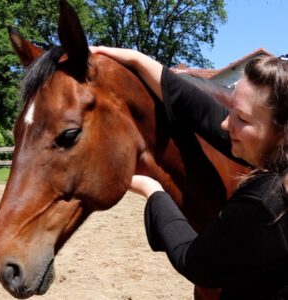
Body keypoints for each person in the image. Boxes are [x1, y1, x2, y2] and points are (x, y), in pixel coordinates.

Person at [91, 46, 288, 300]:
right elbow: (196, 108)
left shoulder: (264, 202)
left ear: (281, 132)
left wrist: (153, 191)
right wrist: (135, 58)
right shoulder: (272, 150)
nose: (226, 124)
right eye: (231, 111)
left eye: (242, 119)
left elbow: (193, 261)